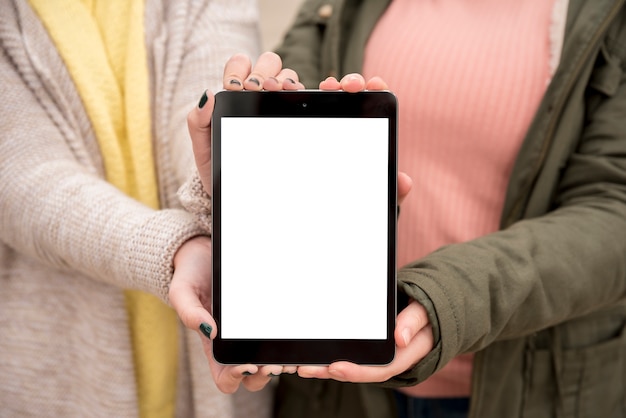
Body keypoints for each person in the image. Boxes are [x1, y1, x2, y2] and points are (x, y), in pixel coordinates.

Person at [181, 0, 626, 417]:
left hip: (528, 392)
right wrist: (243, 180)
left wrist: (443, 302)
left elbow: (613, 212)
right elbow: (292, 112)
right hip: (337, 387)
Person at [0, 0, 279, 416]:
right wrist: (171, 248)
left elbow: (202, 102)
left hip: (210, 379)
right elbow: (22, 174)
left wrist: (222, 167)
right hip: (60, 371)